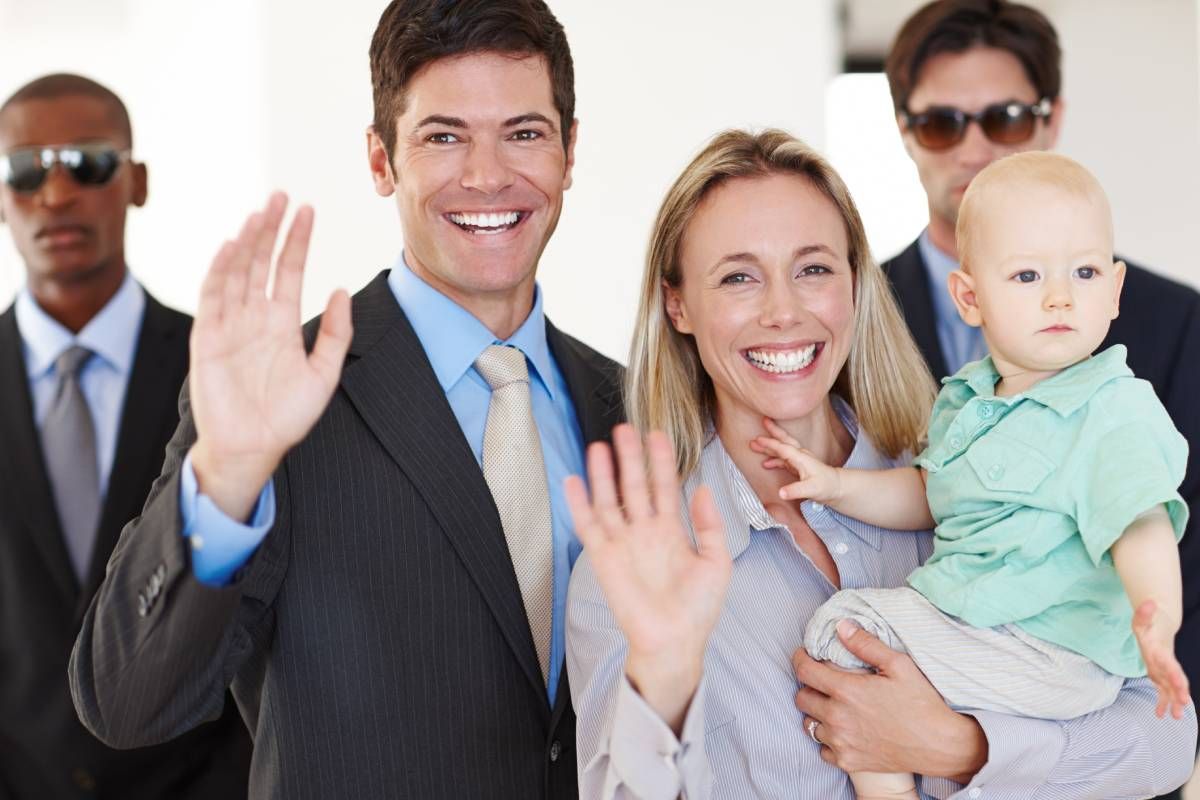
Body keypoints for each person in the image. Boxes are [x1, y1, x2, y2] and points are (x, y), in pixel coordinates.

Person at [68, 2, 622, 798]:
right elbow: (125, 704)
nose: (489, 174)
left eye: (525, 132)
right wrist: (227, 476)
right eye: (444, 135)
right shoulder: (286, 394)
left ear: (570, 151)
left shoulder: (631, 405)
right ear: (380, 161)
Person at [565, 128, 1197, 799]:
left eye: (813, 269)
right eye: (739, 277)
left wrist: (964, 747)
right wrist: (665, 678)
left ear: (857, 286)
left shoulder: (973, 475)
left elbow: (1164, 742)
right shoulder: (632, 573)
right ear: (678, 304)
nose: (784, 311)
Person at [753, 151, 1187, 800]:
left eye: (1086, 271)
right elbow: (932, 495)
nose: (1060, 295)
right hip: (990, 636)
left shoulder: (1110, 406)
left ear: (1116, 291)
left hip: (1053, 649)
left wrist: (1159, 618)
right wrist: (838, 485)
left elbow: (1141, 520)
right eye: (1027, 275)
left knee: (845, 629)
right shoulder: (967, 400)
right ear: (969, 297)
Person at [879, 11, 1200, 796]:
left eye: (1007, 117)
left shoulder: (1176, 322)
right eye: (942, 123)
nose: (976, 146)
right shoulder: (852, 316)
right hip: (902, 719)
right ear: (904, 131)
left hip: (1117, 746)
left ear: (1052, 119)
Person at [0, 74, 252, 799]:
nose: (55, 195)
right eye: (25, 171)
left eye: (87, 163)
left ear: (136, 181)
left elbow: (260, 618)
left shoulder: (226, 370)